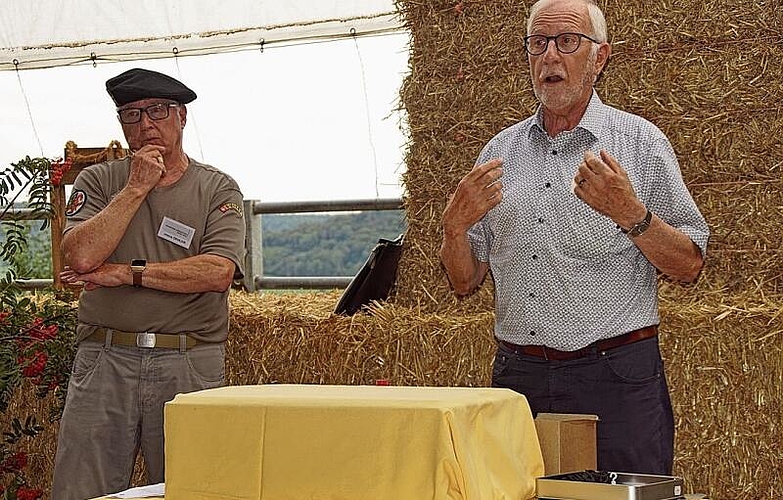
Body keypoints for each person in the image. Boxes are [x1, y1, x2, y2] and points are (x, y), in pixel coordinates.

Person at [440, 0, 709, 475]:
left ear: (600, 57)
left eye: (567, 42)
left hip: (617, 379)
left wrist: (630, 212)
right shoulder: (499, 152)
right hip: (519, 380)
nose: (550, 57)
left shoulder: (640, 142)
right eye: (538, 44)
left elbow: (688, 263)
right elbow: (464, 282)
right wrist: (454, 227)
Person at [51, 68, 246, 500]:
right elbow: (80, 256)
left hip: (188, 361)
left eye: (157, 111)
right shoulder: (99, 181)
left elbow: (217, 273)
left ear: (182, 117)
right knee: (82, 488)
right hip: (104, 357)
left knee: (193, 486)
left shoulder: (216, 188)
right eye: (131, 115)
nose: (145, 125)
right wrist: (135, 188)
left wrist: (123, 273)